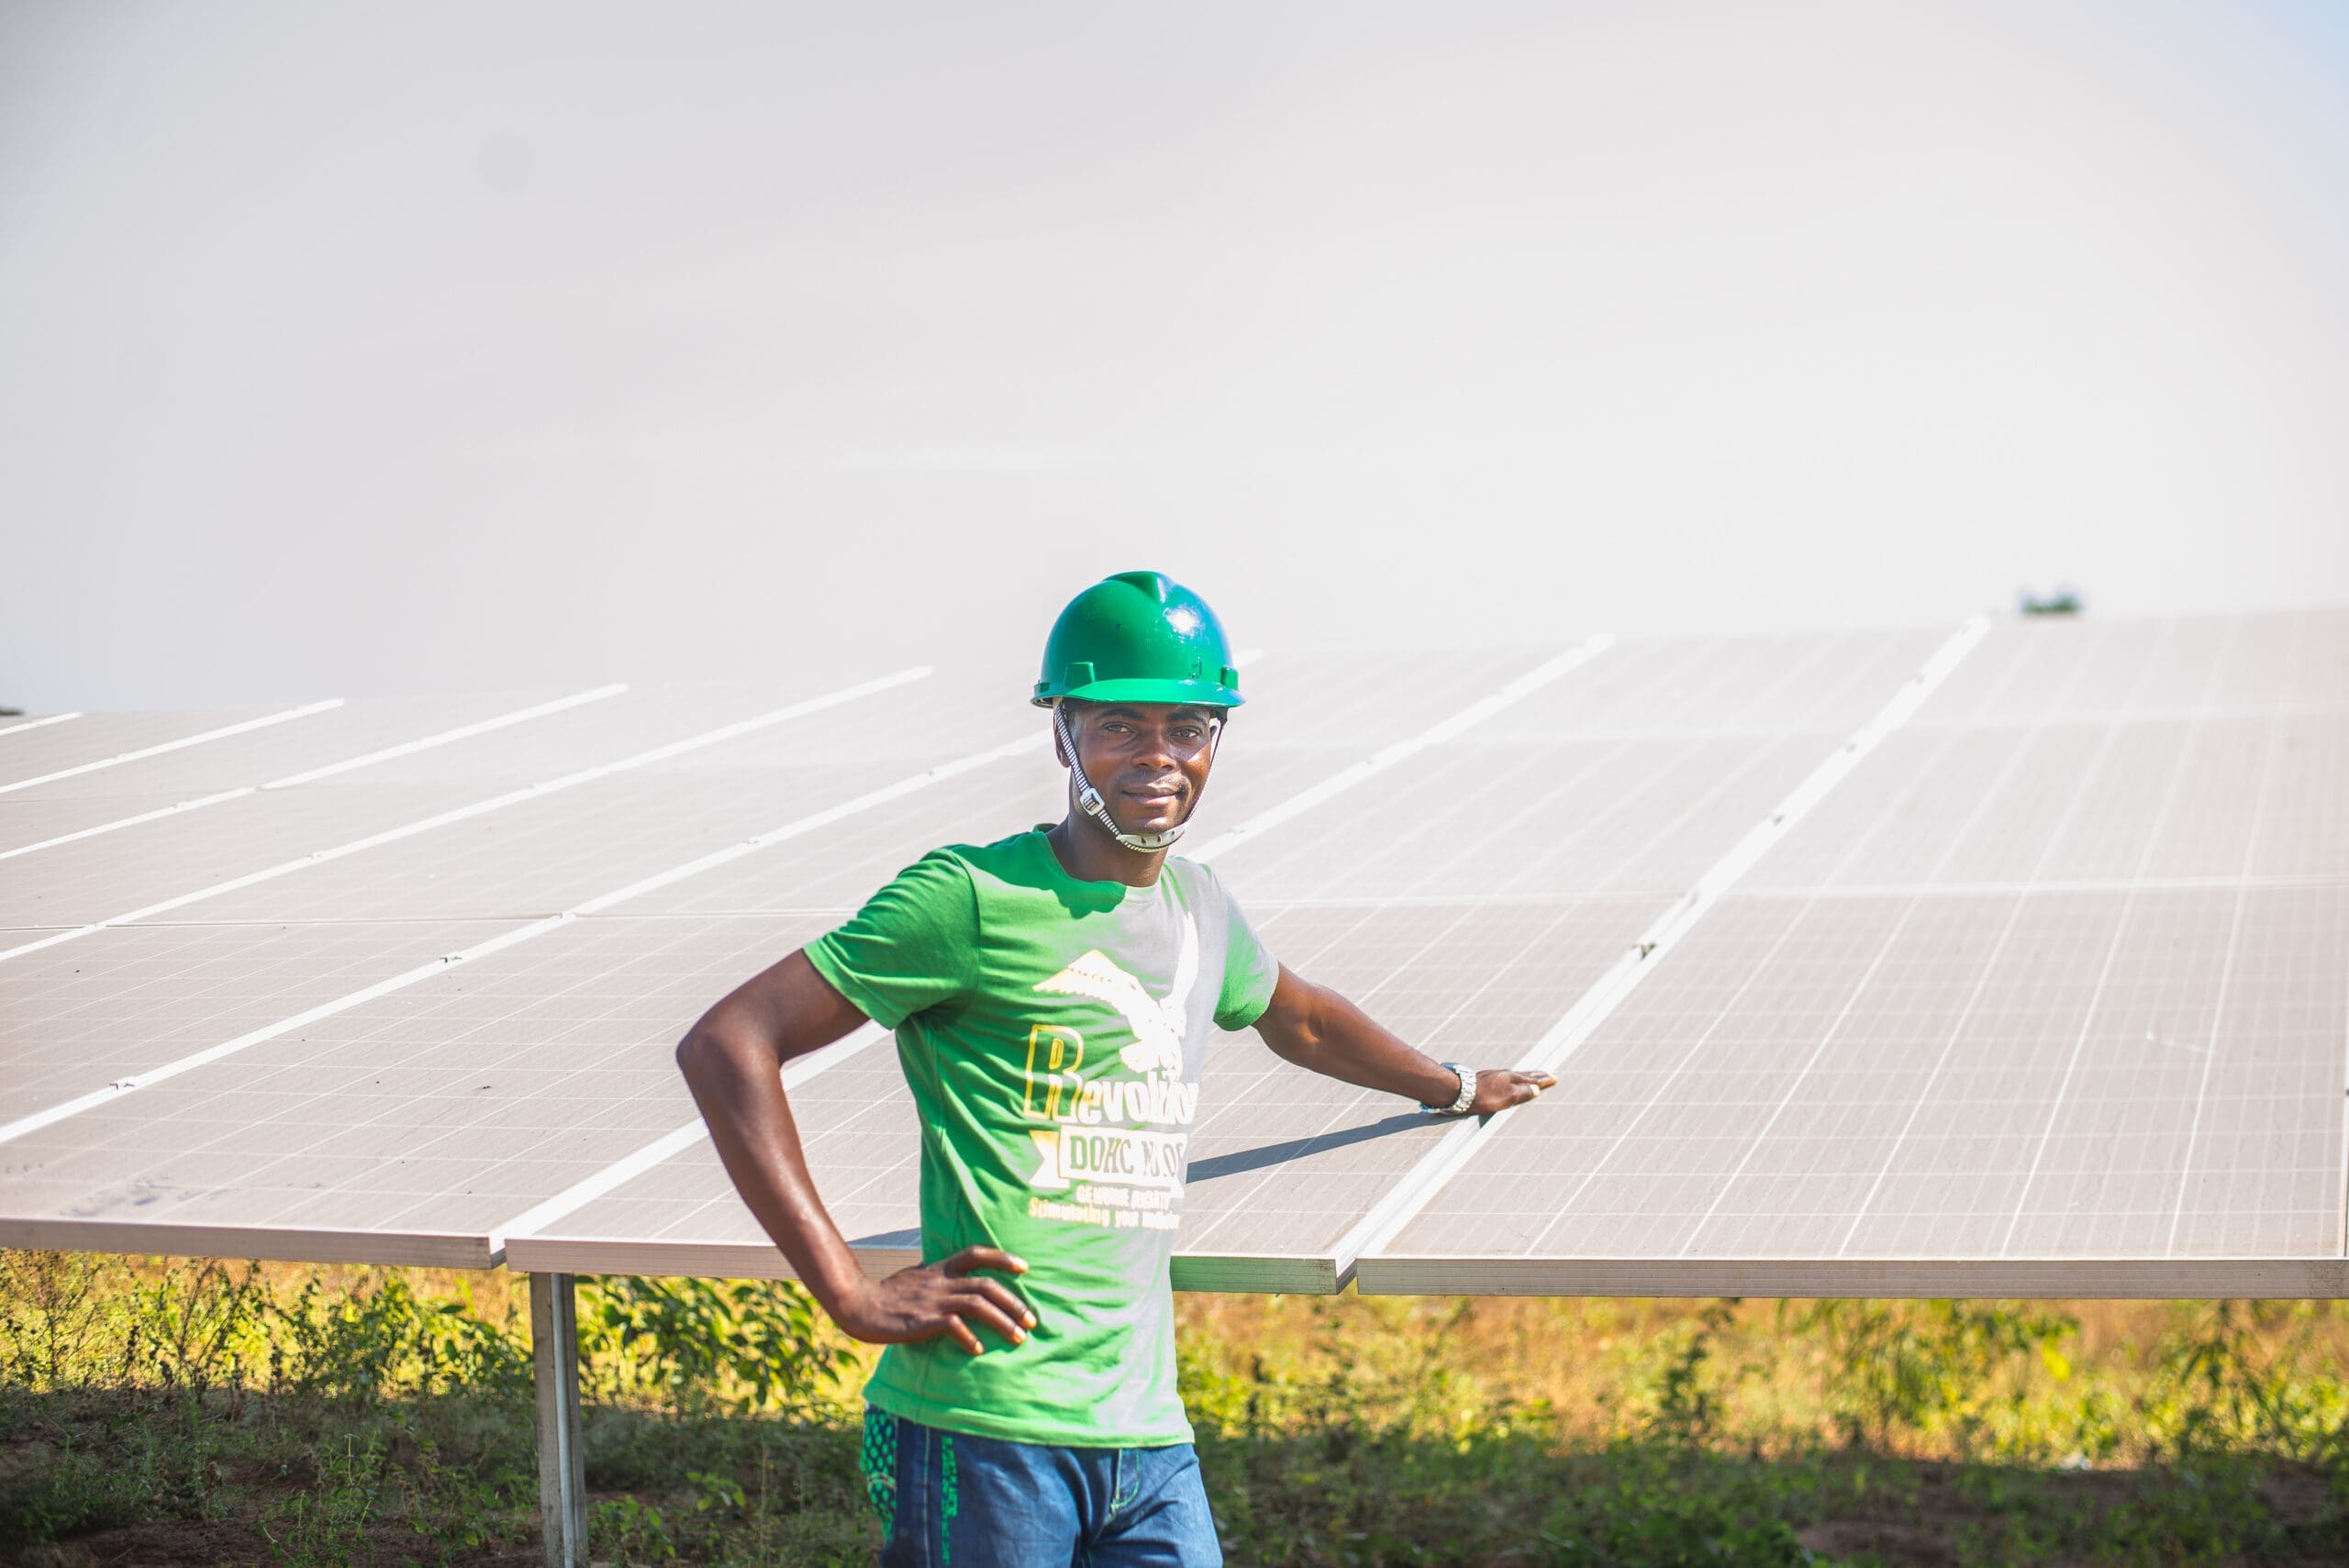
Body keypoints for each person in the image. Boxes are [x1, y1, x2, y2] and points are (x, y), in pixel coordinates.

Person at [675, 571, 1555, 1567]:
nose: (1157, 754)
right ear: (1063, 734)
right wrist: (847, 1290)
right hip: (985, 1416)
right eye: (1119, 725)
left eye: (1187, 726)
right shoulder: (970, 897)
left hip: (1145, 1431)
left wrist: (1455, 1085)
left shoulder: (1200, 908)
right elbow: (728, 1041)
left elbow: (1304, 1021)